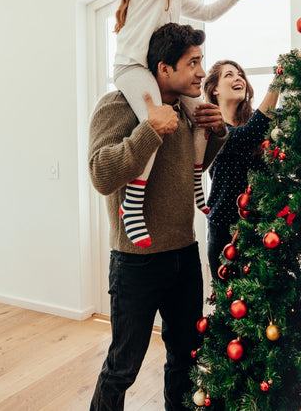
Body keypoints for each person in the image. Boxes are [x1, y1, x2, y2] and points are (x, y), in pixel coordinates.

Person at [89, 23, 227, 411]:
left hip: (184, 255)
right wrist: (149, 130)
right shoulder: (116, 106)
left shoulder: (187, 111)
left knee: (185, 357)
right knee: (123, 367)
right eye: (194, 63)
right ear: (163, 69)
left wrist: (215, 133)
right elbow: (101, 174)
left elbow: (186, 171)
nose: (203, 71)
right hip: (136, 261)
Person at [114, 0, 257, 248]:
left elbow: (207, 12)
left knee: (202, 115)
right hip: (133, 68)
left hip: (156, 69)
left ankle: (196, 182)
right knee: (157, 121)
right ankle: (132, 203)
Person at [203, 60, 280, 278]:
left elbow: (275, 120)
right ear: (215, 89)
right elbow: (246, 136)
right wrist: (279, 80)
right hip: (225, 231)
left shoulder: (260, 121)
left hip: (264, 227)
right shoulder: (212, 128)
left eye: (240, 75)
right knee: (230, 305)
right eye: (229, 75)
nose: (238, 78)